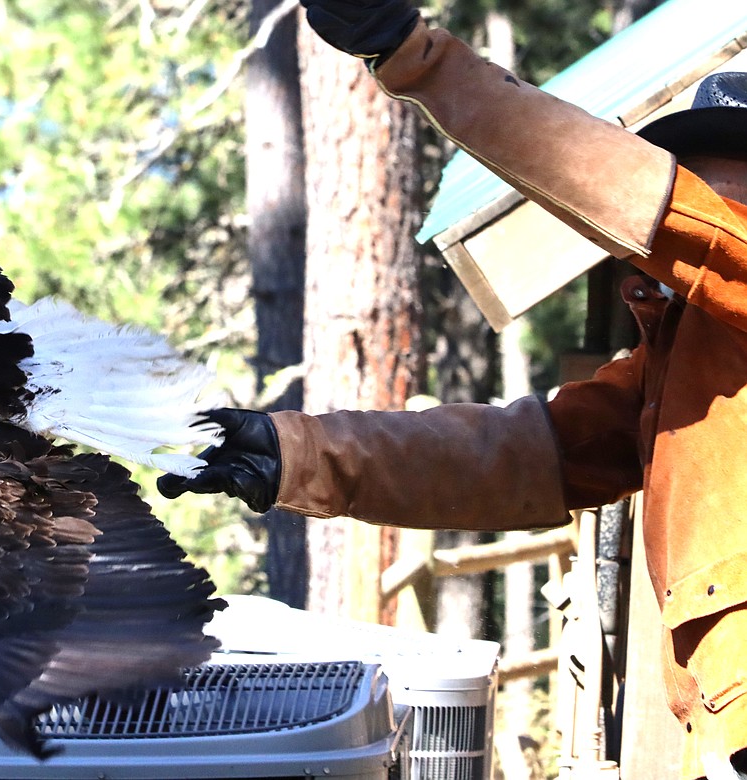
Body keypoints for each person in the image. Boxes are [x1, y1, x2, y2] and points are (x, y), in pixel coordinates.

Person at [157, 2, 747, 778]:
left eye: (728, 169)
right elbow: (516, 453)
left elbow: (670, 217)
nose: (705, 191)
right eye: (696, 168)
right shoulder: (678, 368)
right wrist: (290, 451)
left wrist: (416, 58)